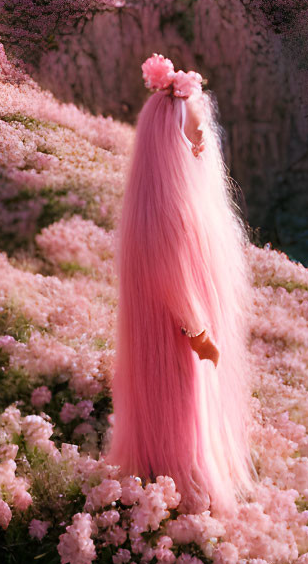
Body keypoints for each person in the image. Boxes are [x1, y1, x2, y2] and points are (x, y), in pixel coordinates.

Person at [105, 53, 257, 517]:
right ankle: (181, 493)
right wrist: (199, 334)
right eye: (193, 133)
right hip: (180, 342)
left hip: (179, 337)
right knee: (184, 415)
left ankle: (166, 488)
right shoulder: (167, 212)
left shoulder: (159, 206)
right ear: (171, 142)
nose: (201, 140)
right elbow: (169, 277)